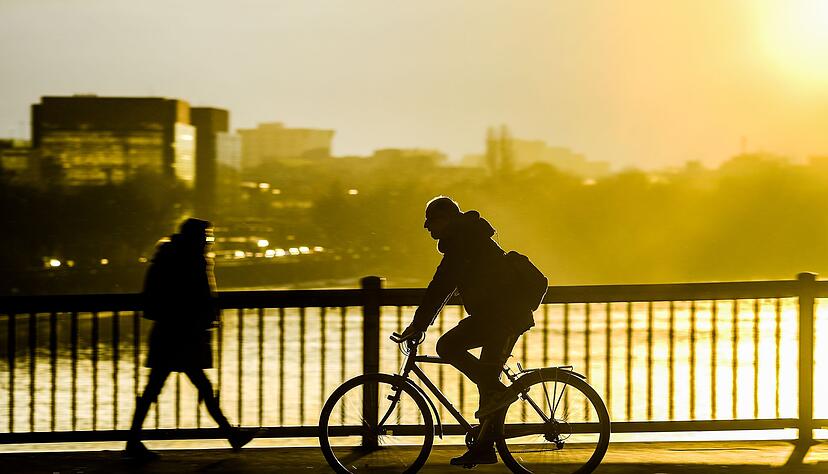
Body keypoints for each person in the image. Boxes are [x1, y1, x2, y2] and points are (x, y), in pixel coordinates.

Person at [398, 196, 534, 466]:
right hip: (495, 316)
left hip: (503, 317)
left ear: (447, 219)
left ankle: (495, 391)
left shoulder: (463, 243)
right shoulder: (467, 238)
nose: (427, 228)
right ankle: (484, 446)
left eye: (431, 221)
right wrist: (420, 324)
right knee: (486, 383)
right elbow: (444, 287)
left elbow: (440, 287)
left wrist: (417, 326)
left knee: (448, 347)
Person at [124, 218, 255, 460]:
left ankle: (133, 440)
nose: (209, 242)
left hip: (169, 333)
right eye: (207, 236)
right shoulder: (191, 260)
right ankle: (230, 434)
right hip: (183, 334)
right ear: (196, 238)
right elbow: (197, 296)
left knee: (157, 388)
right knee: (200, 387)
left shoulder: (170, 256)